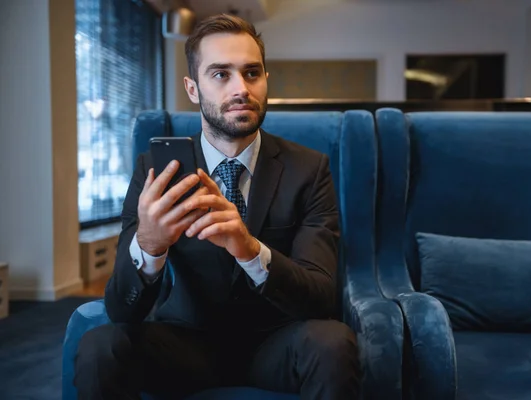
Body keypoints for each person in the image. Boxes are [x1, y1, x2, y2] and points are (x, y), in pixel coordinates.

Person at [74, 13, 360, 400]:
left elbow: (321, 296)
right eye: (221, 74)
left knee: (333, 342)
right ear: (193, 89)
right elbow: (121, 308)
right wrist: (149, 245)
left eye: (252, 73)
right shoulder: (155, 171)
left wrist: (251, 250)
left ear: (265, 81)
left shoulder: (309, 169)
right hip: (184, 344)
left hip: (276, 344)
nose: (241, 88)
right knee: (100, 345)